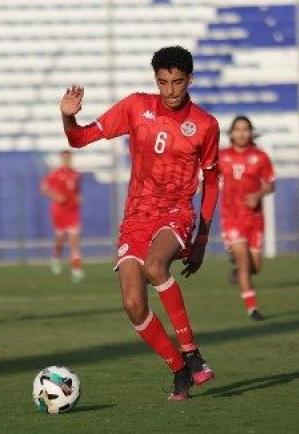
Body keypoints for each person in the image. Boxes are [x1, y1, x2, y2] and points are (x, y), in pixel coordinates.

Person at [60, 46, 219, 401]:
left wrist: (203, 238)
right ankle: (179, 372)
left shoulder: (206, 125)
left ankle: (192, 352)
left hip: (177, 213)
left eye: (177, 82)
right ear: (156, 80)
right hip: (136, 217)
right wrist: (68, 118)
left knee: (155, 266)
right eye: (163, 82)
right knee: (133, 303)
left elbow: (212, 180)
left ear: (189, 80)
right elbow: (79, 138)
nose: (170, 90)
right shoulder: (135, 106)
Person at [219, 116, 275, 321]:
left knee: (255, 267)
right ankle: (252, 309)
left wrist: (258, 195)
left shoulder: (260, 156)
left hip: (255, 218)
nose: (241, 133)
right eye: (237, 129)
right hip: (231, 217)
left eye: (245, 129)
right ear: (231, 133)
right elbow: (207, 179)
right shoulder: (221, 156)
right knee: (244, 262)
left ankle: (238, 268)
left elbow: (270, 184)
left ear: (251, 132)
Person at [40, 149, 84, 283]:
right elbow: (43, 189)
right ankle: (56, 256)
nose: (67, 160)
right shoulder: (54, 174)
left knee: (74, 242)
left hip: (73, 211)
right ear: (61, 159)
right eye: (65, 158)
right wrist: (55, 196)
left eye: (69, 158)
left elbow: (76, 191)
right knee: (60, 239)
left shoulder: (77, 174)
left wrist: (78, 198)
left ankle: (76, 271)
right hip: (59, 211)